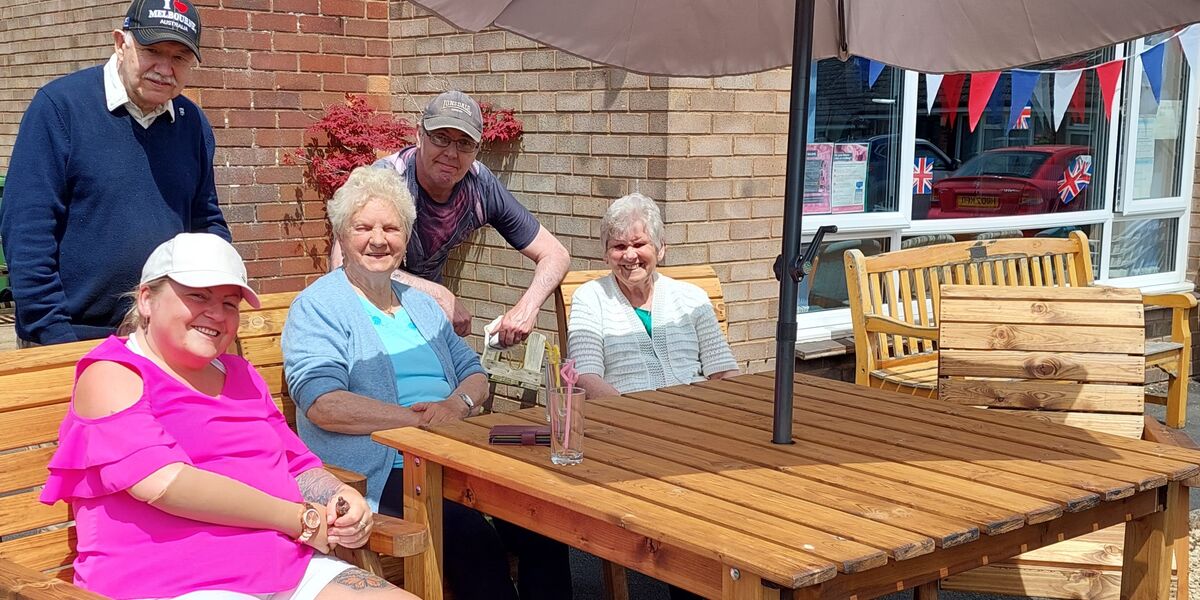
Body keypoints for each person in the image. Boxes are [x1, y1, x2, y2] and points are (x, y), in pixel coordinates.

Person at [38, 233, 417, 600]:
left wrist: (339, 495)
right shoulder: (112, 373)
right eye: (198, 296)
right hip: (175, 582)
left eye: (230, 303)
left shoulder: (240, 375)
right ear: (147, 300)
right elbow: (166, 484)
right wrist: (299, 520)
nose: (216, 314)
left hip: (291, 571)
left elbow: (297, 466)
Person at [284, 166, 572, 600]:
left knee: (545, 521)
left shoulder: (420, 303)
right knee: (469, 535)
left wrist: (457, 407)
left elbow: (474, 374)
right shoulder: (318, 307)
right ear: (341, 236)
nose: (378, 240)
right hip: (386, 472)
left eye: (391, 228)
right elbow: (323, 403)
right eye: (363, 227)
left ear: (405, 238)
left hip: (454, 456)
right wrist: (414, 422)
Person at [0, 0, 229, 347]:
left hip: (164, 337)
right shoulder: (60, 108)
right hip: (73, 335)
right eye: (152, 50)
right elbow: (28, 232)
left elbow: (205, 222)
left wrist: (219, 294)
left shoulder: (192, 123)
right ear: (121, 43)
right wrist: (53, 334)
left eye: (179, 57)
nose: (165, 68)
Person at [334, 90, 569, 348]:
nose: (451, 153)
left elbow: (555, 254)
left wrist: (527, 309)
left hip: (427, 323)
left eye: (464, 143)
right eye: (441, 138)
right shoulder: (387, 181)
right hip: (369, 321)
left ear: (477, 149)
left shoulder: (480, 187)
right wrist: (437, 294)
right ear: (419, 135)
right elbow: (343, 267)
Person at [569, 193, 740, 399]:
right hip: (626, 416)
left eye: (639, 244)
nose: (630, 255)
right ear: (606, 254)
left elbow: (724, 369)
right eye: (619, 246)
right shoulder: (590, 298)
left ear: (660, 249)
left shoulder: (692, 297)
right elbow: (586, 376)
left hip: (696, 411)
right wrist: (631, 412)